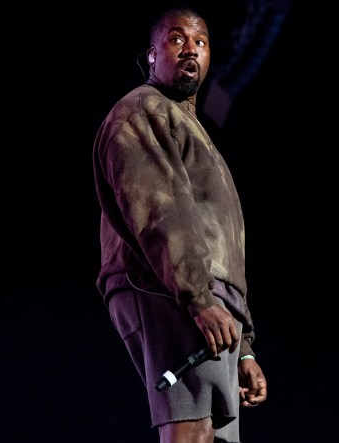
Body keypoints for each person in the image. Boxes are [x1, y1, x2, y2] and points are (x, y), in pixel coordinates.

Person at [91, 6, 268, 443]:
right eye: (176, 39)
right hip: (169, 286)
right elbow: (160, 211)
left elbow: (222, 242)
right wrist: (197, 297)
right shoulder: (143, 109)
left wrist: (243, 345)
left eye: (201, 42)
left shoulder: (192, 128)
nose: (191, 49)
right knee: (192, 424)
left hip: (205, 294)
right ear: (151, 55)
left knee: (217, 433)